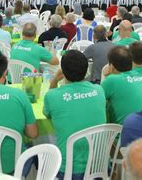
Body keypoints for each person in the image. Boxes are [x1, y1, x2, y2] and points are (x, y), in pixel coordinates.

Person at [43, 50, 106, 179]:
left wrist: (54, 81)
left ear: (63, 72)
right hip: (100, 166)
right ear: (86, 70)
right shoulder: (99, 90)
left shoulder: (52, 95)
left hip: (68, 170)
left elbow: (47, 113)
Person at [102, 46, 142, 124]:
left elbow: (98, 99)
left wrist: (105, 76)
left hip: (122, 132)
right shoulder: (141, 76)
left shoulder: (112, 80)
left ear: (111, 66)